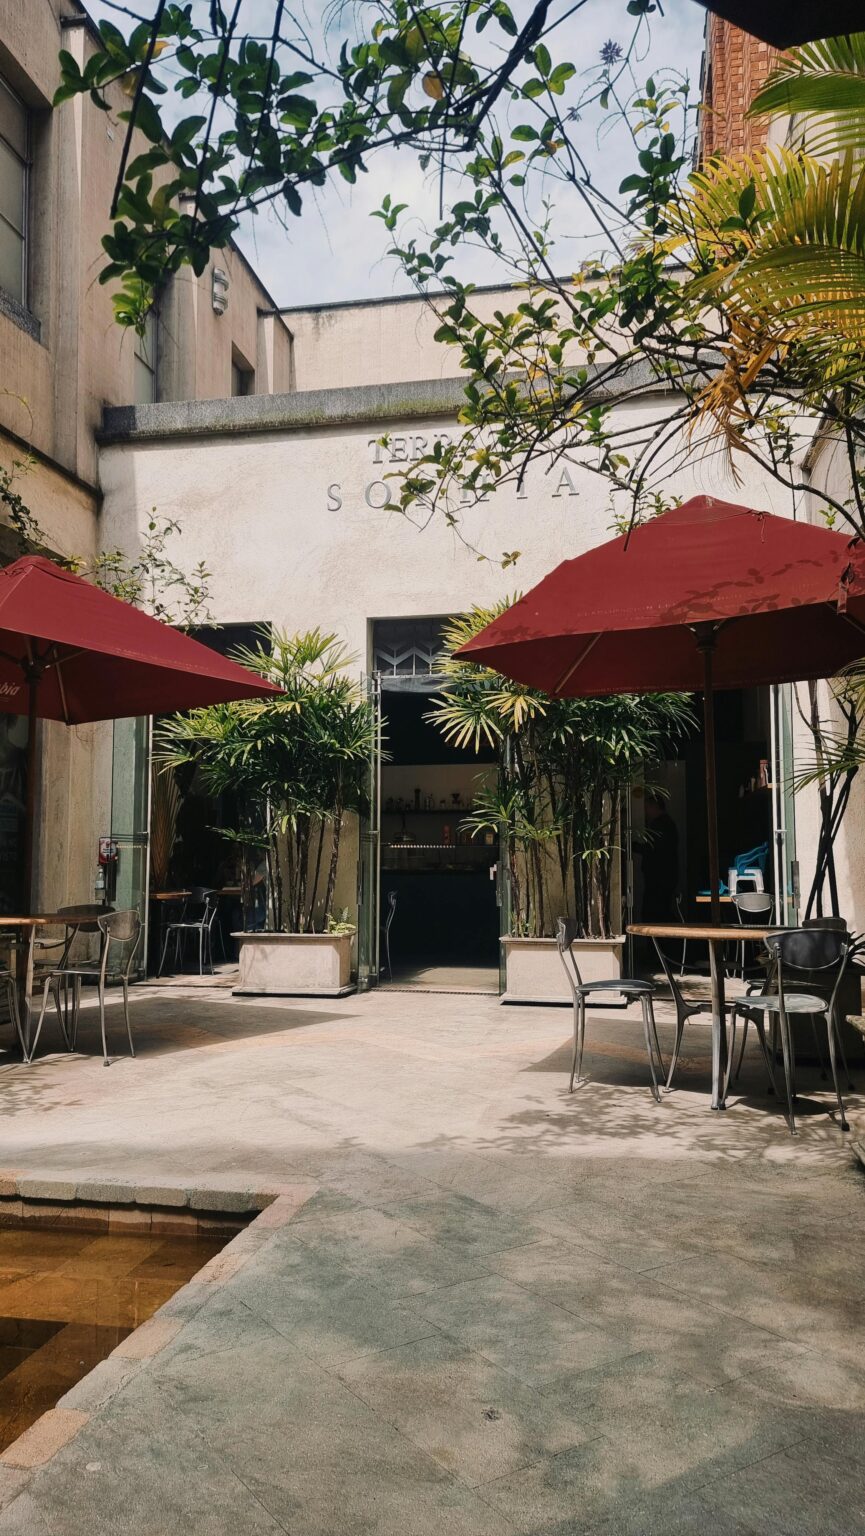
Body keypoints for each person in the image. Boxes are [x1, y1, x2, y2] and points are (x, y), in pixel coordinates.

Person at [639, 794, 679, 922]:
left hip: (659, 878)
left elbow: (652, 849)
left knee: (655, 914)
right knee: (661, 911)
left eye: (646, 808)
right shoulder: (667, 823)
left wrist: (630, 846)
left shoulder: (660, 825)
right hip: (665, 877)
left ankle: (660, 940)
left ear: (654, 807)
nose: (645, 812)